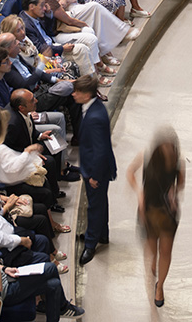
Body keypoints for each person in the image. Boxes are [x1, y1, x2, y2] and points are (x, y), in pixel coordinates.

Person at [0, 212, 84, 320]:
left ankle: (61, 308)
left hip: (8, 277)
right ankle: (63, 307)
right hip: (5, 292)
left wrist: (5, 269)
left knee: (54, 284)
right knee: (50, 268)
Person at [125, 128, 184, 307]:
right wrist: (139, 193)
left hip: (168, 211)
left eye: (170, 147)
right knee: (151, 249)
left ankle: (160, 287)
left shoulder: (178, 163)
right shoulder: (146, 156)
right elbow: (130, 172)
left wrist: (175, 190)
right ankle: (153, 262)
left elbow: (180, 183)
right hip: (148, 209)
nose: (167, 150)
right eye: (164, 146)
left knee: (166, 251)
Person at [75, 75, 116, 265]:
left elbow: (100, 151)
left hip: (96, 171)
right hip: (94, 167)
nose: (74, 94)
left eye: (77, 92)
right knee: (100, 203)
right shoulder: (93, 108)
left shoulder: (95, 118)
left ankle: (91, 244)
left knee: (94, 206)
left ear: (86, 94)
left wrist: (93, 176)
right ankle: (102, 234)